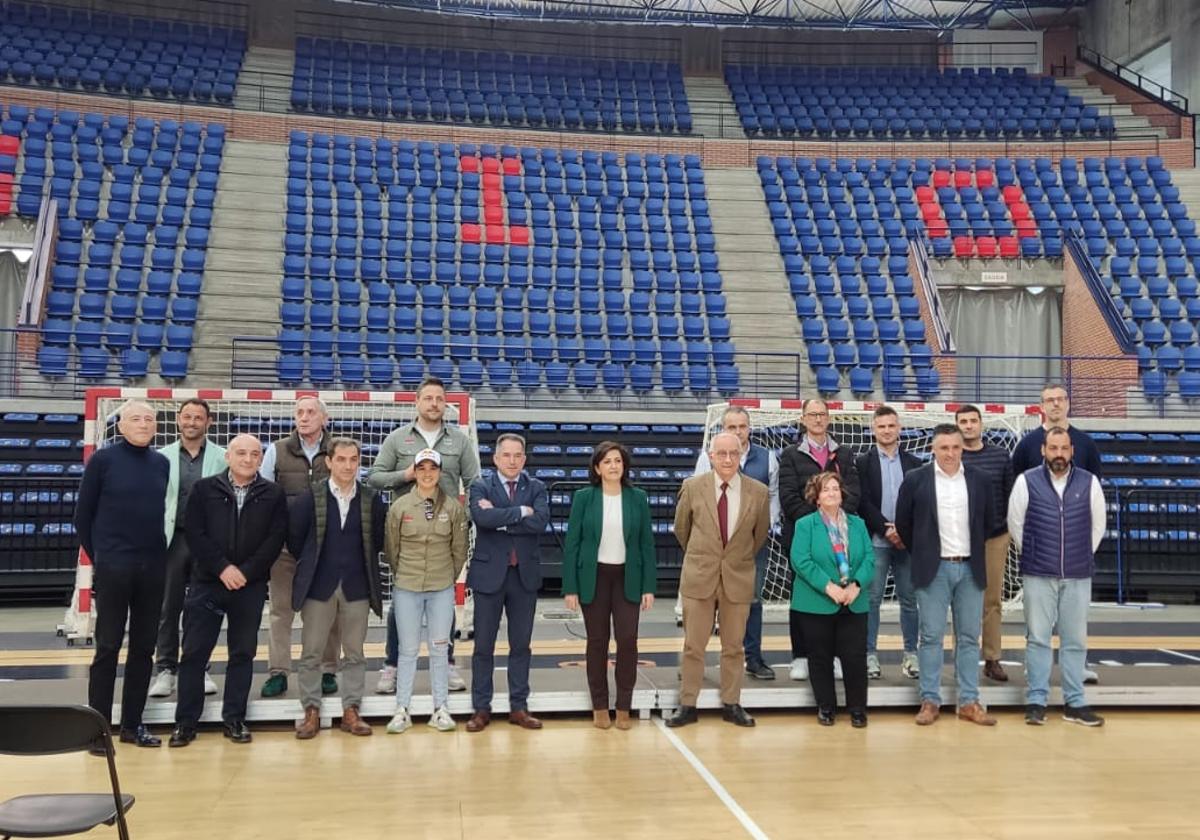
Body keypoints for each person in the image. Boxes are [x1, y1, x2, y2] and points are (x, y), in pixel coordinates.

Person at [169, 435, 288, 747]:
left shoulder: (273, 494)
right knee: (194, 653)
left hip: (250, 586)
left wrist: (245, 572)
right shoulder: (204, 489)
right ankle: (185, 722)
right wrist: (222, 568)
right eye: (241, 453)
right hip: (207, 582)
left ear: (261, 459)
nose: (248, 459)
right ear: (228, 456)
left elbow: (275, 539)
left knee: (243, 653)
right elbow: (195, 533)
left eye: (254, 454)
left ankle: (234, 718)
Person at [368, 377, 481, 695]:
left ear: (446, 404)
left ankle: (445, 662)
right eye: (428, 398)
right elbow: (374, 477)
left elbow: (475, 482)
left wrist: (466, 518)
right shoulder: (397, 439)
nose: (434, 403)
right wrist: (405, 474)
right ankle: (391, 665)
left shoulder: (459, 441)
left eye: (439, 399)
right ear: (417, 402)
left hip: (446, 534)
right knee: (401, 603)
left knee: (443, 602)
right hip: (408, 534)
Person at [75, 400, 169, 749]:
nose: (143, 424)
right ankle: (96, 730)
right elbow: (83, 517)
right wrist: (104, 556)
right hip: (114, 567)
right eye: (136, 419)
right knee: (108, 647)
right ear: (122, 425)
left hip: (153, 567)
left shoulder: (161, 463)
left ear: (157, 426)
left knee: (144, 649)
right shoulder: (102, 460)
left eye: (149, 419)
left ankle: (132, 725)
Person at [667, 432, 770, 729]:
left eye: (733, 454)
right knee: (693, 646)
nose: (727, 459)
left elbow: (758, 536)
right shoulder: (692, 487)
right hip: (700, 576)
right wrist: (706, 557)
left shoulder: (759, 492)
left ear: (741, 456)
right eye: (721, 453)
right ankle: (687, 704)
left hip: (737, 577)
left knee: (734, 647)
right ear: (710, 456)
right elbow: (681, 530)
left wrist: (732, 560)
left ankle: (732, 703)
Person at [895, 424, 996, 727]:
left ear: (962, 448)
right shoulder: (915, 480)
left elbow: (989, 522)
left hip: (970, 568)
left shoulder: (980, 480)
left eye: (955, 448)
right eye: (944, 448)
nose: (950, 453)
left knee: (968, 638)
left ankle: (968, 701)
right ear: (933, 449)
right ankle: (929, 700)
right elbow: (904, 524)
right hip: (933, 569)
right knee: (930, 637)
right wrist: (924, 553)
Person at [1008, 427, 1107, 727]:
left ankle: (1074, 702)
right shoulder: (1026, 481)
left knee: (1075, 640)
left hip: (1077, 575)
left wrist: (1076, 554)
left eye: (1064, 448)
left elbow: (1098, 527)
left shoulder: (1089, 483)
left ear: (1072, 451)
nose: (1059, 454)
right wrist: (1039, 553)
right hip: (1038, 573)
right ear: (1043, 450)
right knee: (1037, 638)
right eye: (1053, 448)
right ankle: (1036, 700)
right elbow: (1016, 524)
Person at [288, 437, 387, 739]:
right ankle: (311, 710)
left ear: (359, 462)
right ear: (329, 462)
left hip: (357, 586)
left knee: (355, 653)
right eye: (341, 459)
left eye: (353, 460)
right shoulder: (310, 497)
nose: (347, 465)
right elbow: (295, 541)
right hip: (319, 586)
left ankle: (351, 710)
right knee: (311, 652)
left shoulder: (371, 499)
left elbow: (377, 541)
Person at [562, 441, 657, 730]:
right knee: (597, 643)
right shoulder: (584, 498)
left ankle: (624, 706)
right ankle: (600, 705)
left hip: (629, 578)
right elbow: (573, 544)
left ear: (624, 466)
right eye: (607, 461)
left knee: (628, 641)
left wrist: (648, 586)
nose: (613, 466)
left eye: (617, 460)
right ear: (597, 468)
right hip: (595, 578)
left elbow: (646, 544)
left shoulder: (637, 497)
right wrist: (571, 587)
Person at [682, 406, 780, 680]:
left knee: (752, 600)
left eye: (742, 426)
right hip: (711, 549)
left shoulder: (768, 458)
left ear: (750, 428)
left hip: (748, 547)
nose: (738, 432)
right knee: (702, 602)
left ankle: (753, 658)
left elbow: (772, 498)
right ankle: (693, 664)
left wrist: (758, 531)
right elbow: (693, 504)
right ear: (722, 430)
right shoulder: (707, 457)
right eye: (731, 427)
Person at [466, 433, 551, 733]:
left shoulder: (537, 487)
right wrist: (519, 513)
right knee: (483, 646)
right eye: (507, 455)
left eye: (518, 456)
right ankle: (481, 708)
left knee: (520, 645)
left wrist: (501, 517)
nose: (512, 461)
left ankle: (519, 706)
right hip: (489, 576)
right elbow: (482, 519)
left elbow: (539, 522)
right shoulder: (480, 485)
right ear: (496, 458)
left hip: (523, 576)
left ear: (524, 459)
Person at [383, 448, 469, 735]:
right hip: (407, 587)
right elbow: (392, 549)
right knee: (407, 650)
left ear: (440, 473)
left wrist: (445, 577)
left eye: (433, 468)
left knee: (440, 649)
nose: (428, 473)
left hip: (441, 588)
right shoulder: (400, 507)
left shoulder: (454, 508)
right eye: (422, 468)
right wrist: (405, 575)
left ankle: (441, 708)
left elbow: (459, 550)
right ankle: (402, 709)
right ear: (415, 473)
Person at [259, 396, 338, 699]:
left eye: (310, 412)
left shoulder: (339, 450)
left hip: (326, 546)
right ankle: (278, 672)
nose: (304, 417)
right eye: (299, 413)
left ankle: (328, 669)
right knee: (281, 612)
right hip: (284, 548)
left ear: (324, 418)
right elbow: (263, 496)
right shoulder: (276, 450)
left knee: (327, 610)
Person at [779, 398, 860, 682]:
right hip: (803, 538)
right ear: (802, 419)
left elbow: (853, 495)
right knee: (804, 598)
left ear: (828, 418)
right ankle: (801, 656)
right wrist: (816, 526)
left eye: (821, 414)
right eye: (811, 414)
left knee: (838, 596)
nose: (817, 419)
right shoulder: (790, 454)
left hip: (841, 539)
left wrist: (835, 523)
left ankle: (835, 656)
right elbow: (788, 497)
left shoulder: (845, 454)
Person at [149, 398, 225, 699]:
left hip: (207, 541)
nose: (192, 422)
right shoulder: (162, 456)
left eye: (198, 418)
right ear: (178, 421)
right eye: (187, 417)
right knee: (168, 607)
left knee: (202, 608)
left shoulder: (222, 456)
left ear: (209, 422)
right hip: (173, 539)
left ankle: (199, 667)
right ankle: (165, 669)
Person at [790, 472, 874, 727]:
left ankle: (857, 709)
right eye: (826, 490)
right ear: (816, 497)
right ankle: (826, 707)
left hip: (853, 600)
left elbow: (870, 558)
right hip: (817, 601)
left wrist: (856, 585)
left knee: (855, 657)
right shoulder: (805, 525)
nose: (832, 493)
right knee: (820, 656)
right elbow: (801, 560)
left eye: (835, 489)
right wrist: (830, 588)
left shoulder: (858, 524)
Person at [855, 405, 921, 681]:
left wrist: (902, 532)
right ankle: (869, 654)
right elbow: (863, 502)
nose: (886, 430)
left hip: (907, 544)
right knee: (871, 600)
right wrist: (886, 529)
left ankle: (911, 654)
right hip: (876, 542)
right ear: (873, 429)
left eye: (891, 425)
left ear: (899, 428)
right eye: (881, 426)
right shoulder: (862, 463)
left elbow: (919, 504)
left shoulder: (915, 463)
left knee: (909, 600)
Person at [956, 404, 1016, 683]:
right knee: (962, 602)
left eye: (972, 421)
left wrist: (1007, 529)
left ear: (981, 424)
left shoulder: (1001, 456)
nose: (968, 426)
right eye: (963, 421)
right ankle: (962, 658)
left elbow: (1011, 495)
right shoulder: (951, 457)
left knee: (992, 601)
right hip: (959, 539)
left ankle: (992, 659)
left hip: (995, 537)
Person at [1010, 383, 1103, 477]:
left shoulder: (1086, 443)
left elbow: (1094, 484)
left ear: (1068, 404)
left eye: (1060, 399)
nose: (1056, 404)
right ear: (1041, 407)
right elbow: (1018, 485)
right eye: (1050, 400)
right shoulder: (1026, 445)